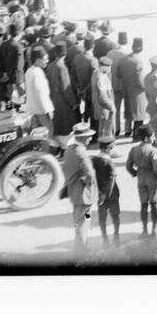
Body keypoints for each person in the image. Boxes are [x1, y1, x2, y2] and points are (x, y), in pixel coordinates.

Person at [62, 123, 98, 254]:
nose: (90, 138)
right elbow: (90, 173)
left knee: (80, 222)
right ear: (83, 138)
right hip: (83, 195)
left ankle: (82, 249)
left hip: (74, 192)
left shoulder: (69, 149)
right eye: (88, 136)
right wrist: (90, 184)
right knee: (83, 224)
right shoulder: (81, 152)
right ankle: (81, 253)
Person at [126, 123, 157, 237]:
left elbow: (128, 165)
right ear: (147, 138)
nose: (154, 138)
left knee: (143, 205)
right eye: (152, 136)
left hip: (140, 178)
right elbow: (156, 167)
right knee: (154, 204)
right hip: (151, 177)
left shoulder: (134, 149)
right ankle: (154, 229)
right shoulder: (153, 150)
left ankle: (144, 230)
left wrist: (135, 173)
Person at [92, 141, 122, 246]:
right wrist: (106, 194)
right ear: (106, 149)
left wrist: (101, 193)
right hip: (112, 193)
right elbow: (111, 180)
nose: (111, 151)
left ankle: (105, 240)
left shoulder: (94, 160)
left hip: (100, 192)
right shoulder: (109, 162)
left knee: (102, 218)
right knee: (115, 216)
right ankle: (116, 237)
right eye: (110, 148)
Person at [23, 47, 53, 131]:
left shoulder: (29, 71)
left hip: (33, 109)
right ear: (37, 60)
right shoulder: (37, 73)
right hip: (41, 110)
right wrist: (47, 111)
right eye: (45, 59)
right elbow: (40, 94)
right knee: (48, 131)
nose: (47, 61)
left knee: (36, 132)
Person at [91, 56, 117, 148]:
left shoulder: (96, 73)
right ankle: (106, 147)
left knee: (102, 128)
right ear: (105, 67)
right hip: (105, 108)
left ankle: (103, 145)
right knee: (106, 129)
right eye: (109, 67)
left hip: (100, 107)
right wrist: (111, 106)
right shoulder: (101, 77)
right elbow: (102, 96)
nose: (110, 69)